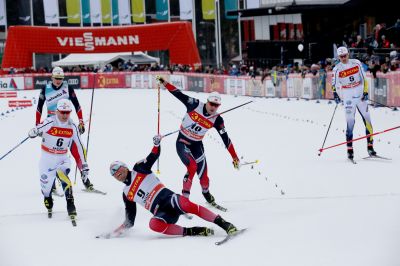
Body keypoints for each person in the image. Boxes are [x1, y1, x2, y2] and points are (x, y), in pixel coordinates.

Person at [101, 135, 238, 239]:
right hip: (162, 213)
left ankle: (224, 224)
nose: (118, 174)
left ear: (125, 167)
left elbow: (153, 156)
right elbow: (130, 221)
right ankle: (192, 231)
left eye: (119, 170)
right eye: (114, 174)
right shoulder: (126, 194)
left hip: (170, 199)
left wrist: (156, 144)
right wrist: (112, 233)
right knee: (153, 225)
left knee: (187, 204)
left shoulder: (139, 168)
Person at [155, 75, 240, 206]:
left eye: (216, 105)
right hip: (182, 142)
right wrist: (165, 83)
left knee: (204, 177)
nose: (213, 107)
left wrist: (234, 157)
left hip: (196, 145)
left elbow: (226, 139)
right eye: (211, 104)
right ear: (207, 102)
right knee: (192, 166)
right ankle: (184, 199)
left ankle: (206, 193)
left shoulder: (217, 119)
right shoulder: (194, 104)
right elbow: (178, 94)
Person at [28, 99, 90, 220]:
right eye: (62, 112)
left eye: (67, 112)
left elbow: (79, 146)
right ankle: (47, 197)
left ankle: (70, 203)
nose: (65, 115)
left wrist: (84, 165)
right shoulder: (50, 121)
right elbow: (40, 127)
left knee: (63, 177)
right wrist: (34, 131)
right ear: (57, 111)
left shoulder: (72, 126)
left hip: (62, 158)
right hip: (47, 159)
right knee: (46, 189)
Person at [35, 66, 94, 190]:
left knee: (79, 149)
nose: (58, 80)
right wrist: (37, 125)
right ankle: (51, 182)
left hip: (67, 123)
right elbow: (39, 108)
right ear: (52, 77)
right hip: (51, 125)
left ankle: (85, 178)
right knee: (52, 154)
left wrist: (81, 121)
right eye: (56, 78)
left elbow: (77, 105)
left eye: (61, 78)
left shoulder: (67, 88)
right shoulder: (45, 89)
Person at [332, 46, 377, 160]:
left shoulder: (356, 63)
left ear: (348, 54)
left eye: (345, 55)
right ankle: (350, 149)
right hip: (347, 94)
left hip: (359, 91)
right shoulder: (337, 68)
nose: (343, 58)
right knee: (350, 122)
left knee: (367, 119)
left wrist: (365, 91)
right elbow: (334, 84)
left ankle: (370, 147)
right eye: (341, 57)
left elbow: (364, 78)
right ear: (338, 57)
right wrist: (336, 95)